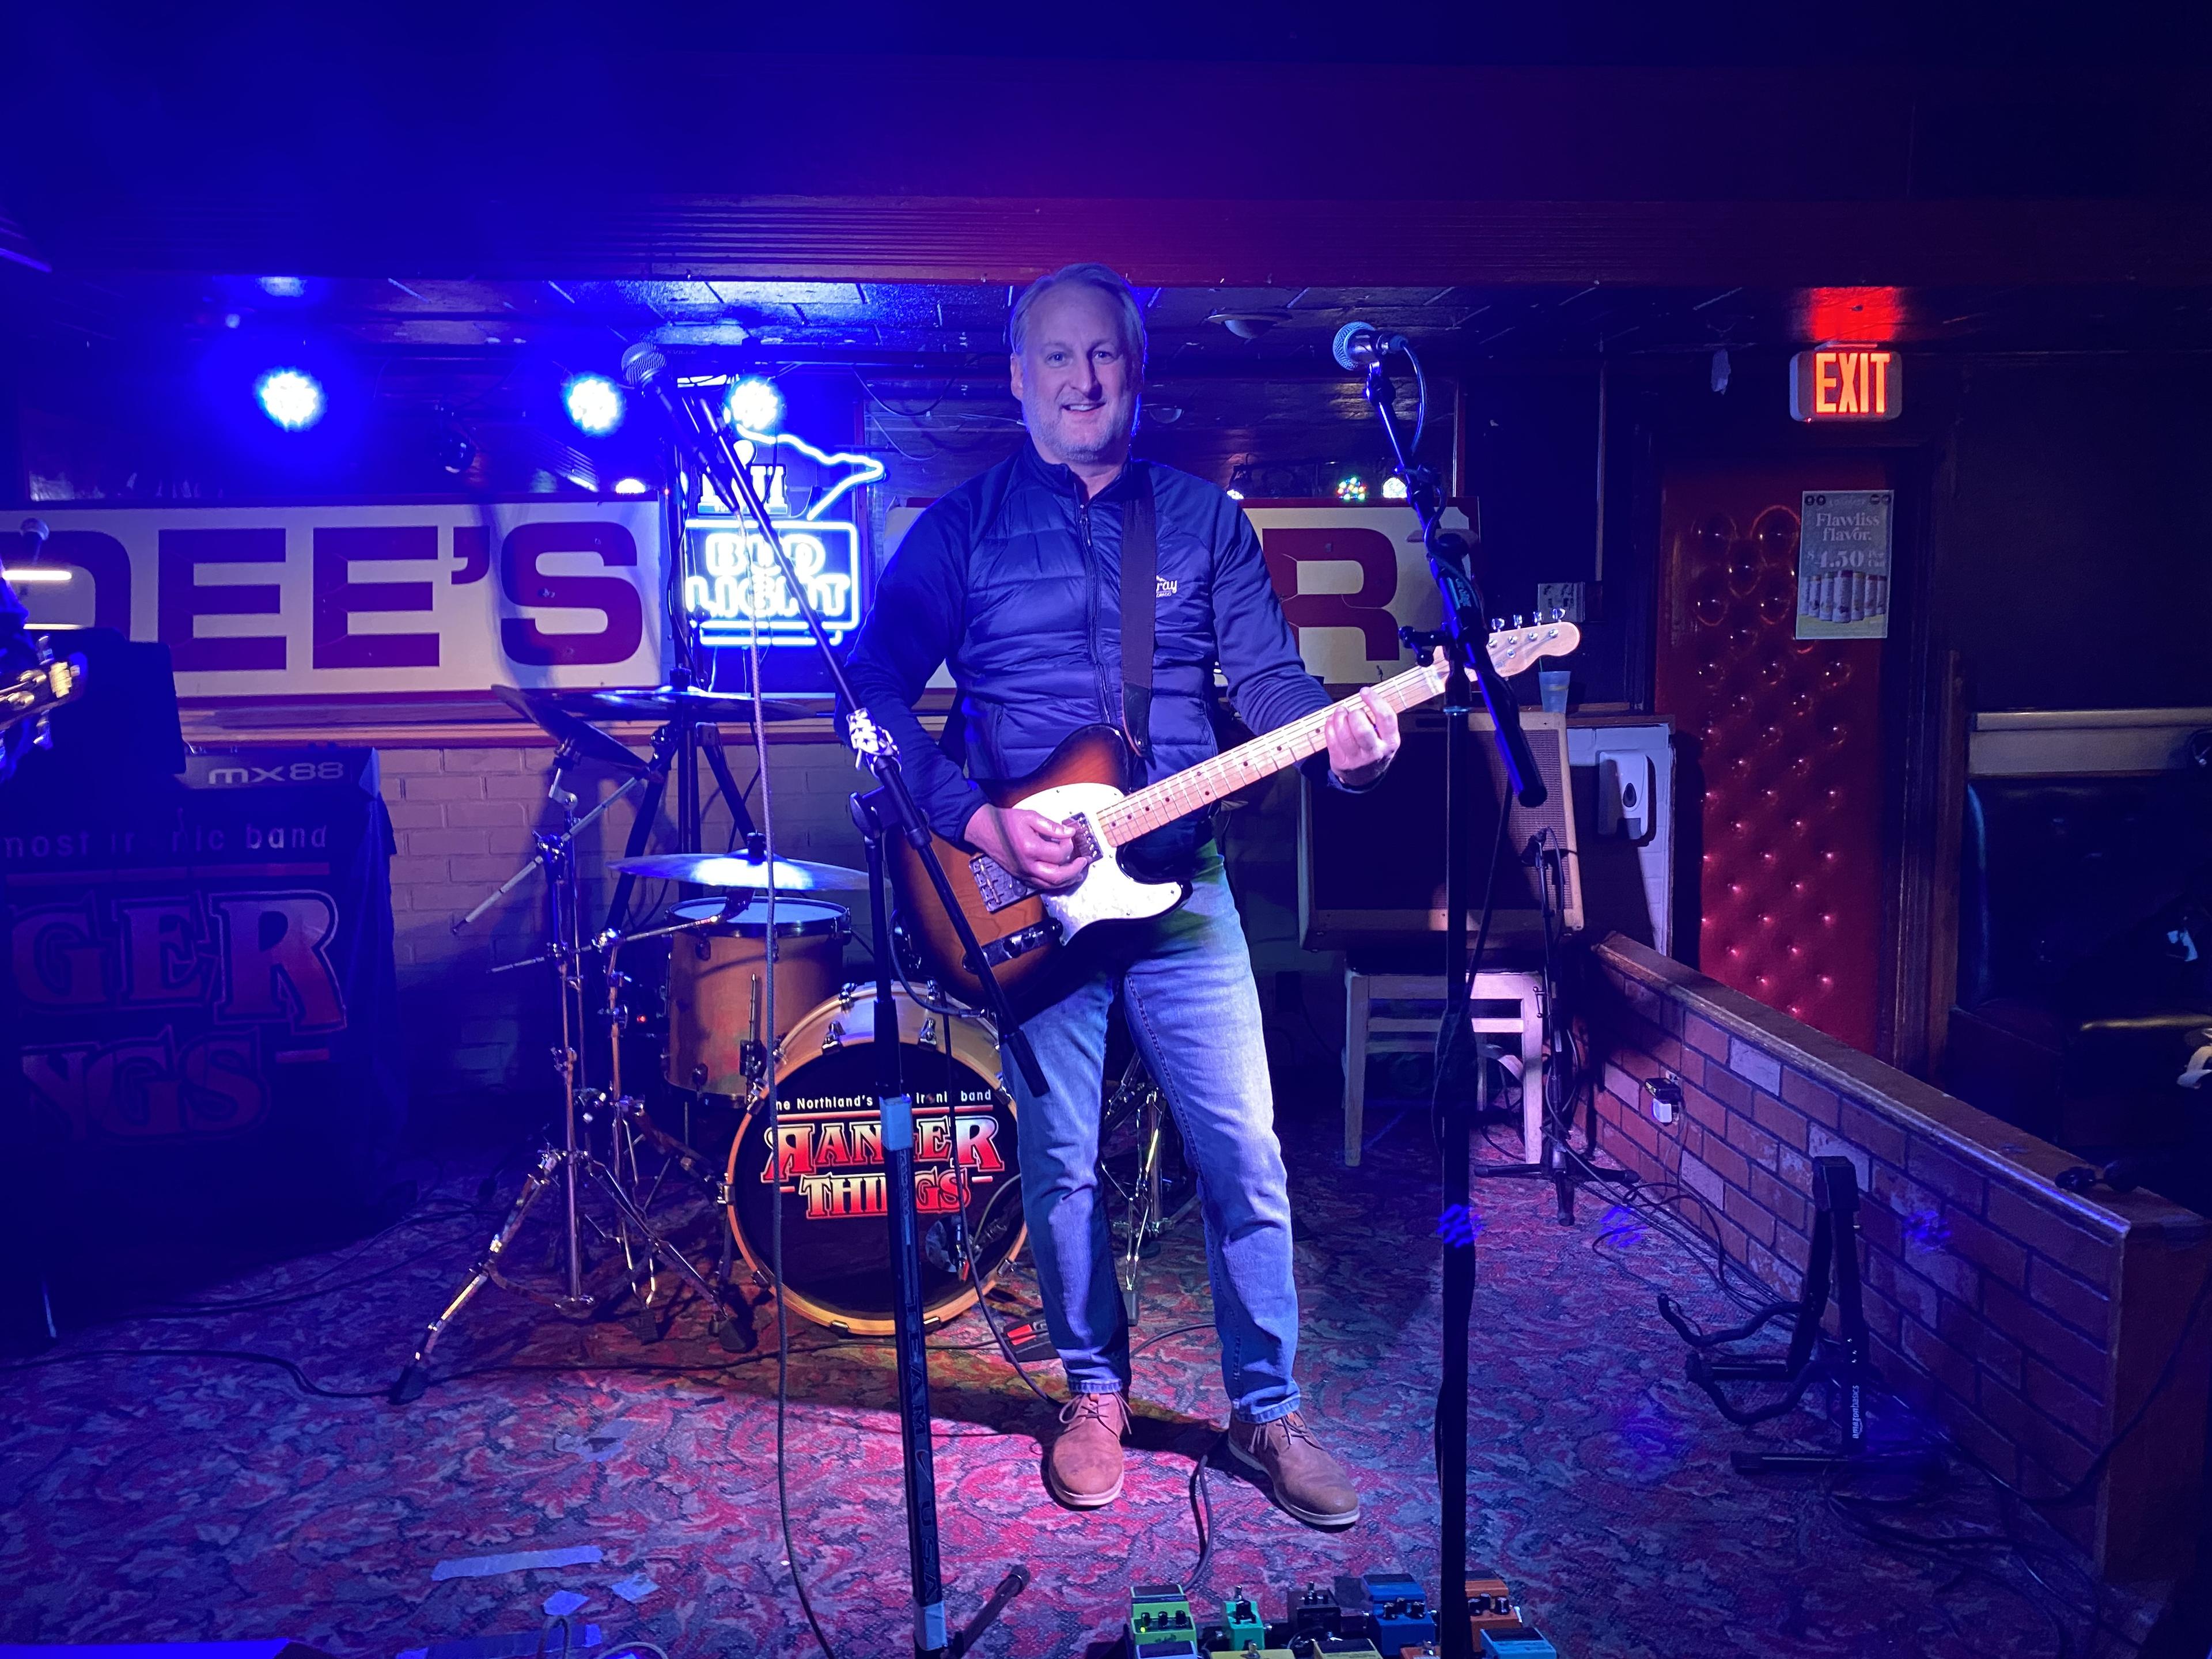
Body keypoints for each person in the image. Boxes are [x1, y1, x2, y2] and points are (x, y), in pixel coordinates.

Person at [842, 263, 1399, 1527]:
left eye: (1105, 357)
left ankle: (1266, 1413)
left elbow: (1268, 693)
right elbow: (867, 696)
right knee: (1061, 1163)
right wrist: (975, 816)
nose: (1084, 379)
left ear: (1135, 371)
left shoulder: (1203, 521)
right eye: (1058, 358)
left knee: (1245, 1150)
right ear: (1017, 375)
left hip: (1181, 884)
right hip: (1020, 897)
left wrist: (1345, 744)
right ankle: (1094, 1393)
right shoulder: (961, 527)